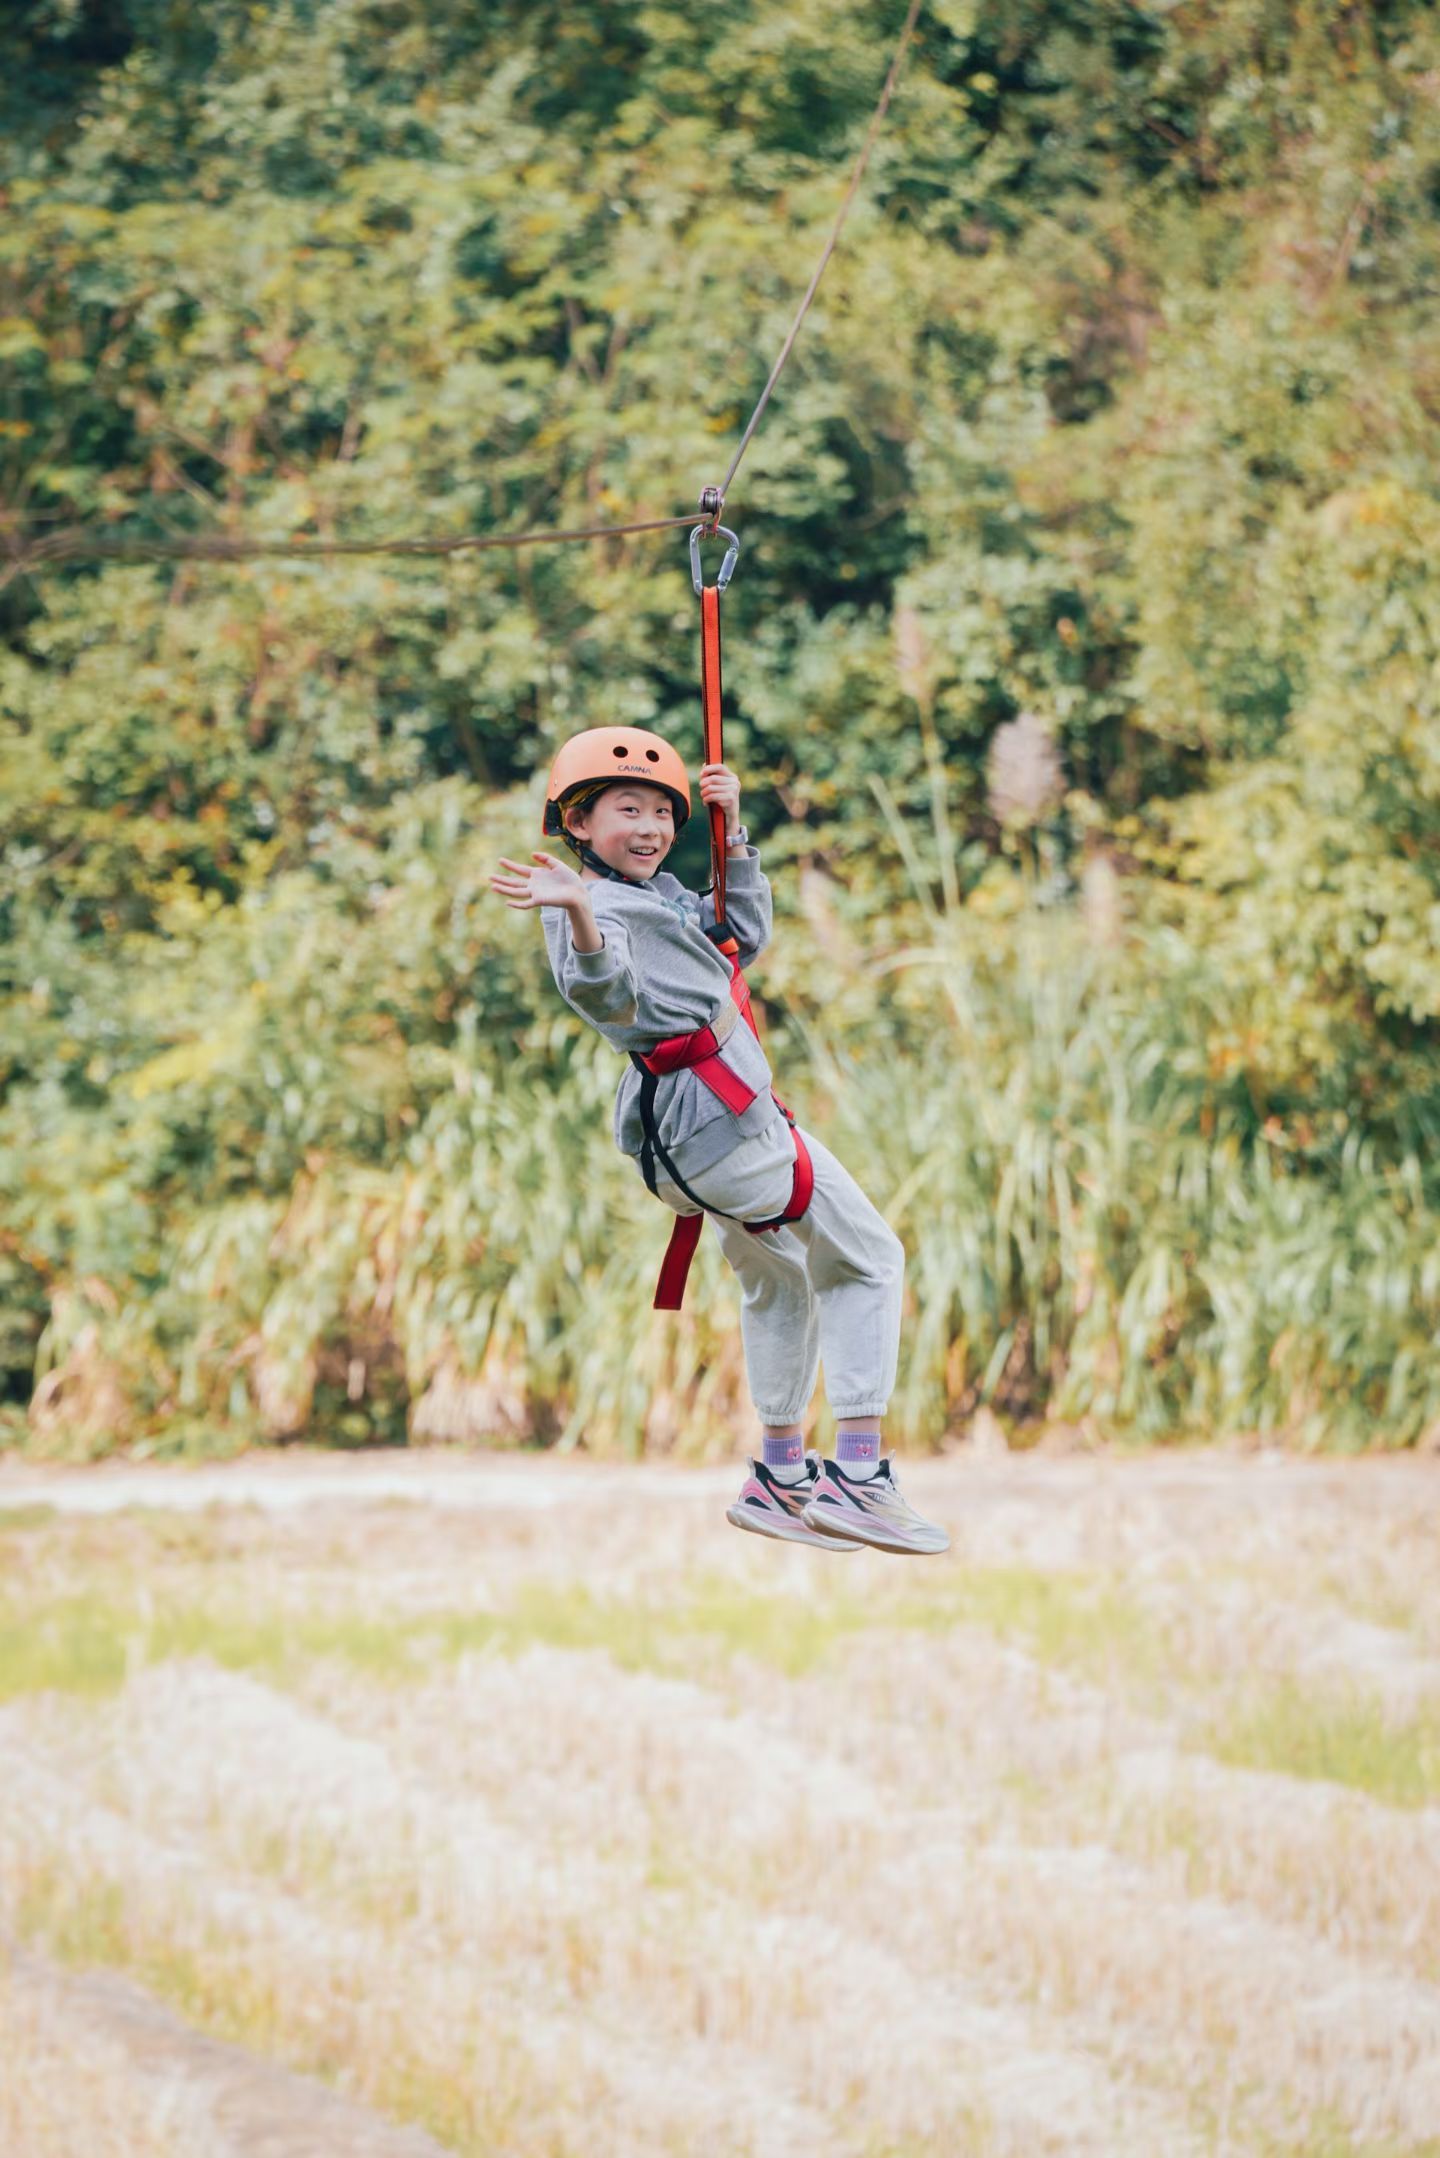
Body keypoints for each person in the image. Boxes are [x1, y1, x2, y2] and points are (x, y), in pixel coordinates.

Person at [488, 725, 947, 1555]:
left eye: (663, 813)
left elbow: (742, 938)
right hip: (730, 1131)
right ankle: (861, 1474)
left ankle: (779, 1475)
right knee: (870, 1258)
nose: (652, 827)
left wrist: (732, 837)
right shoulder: (587, 908)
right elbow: (610, 996)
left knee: (782, 1284)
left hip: (690, 1145)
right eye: (628, 810)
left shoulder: (659, 897)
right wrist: (582, 916)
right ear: (578, 825)